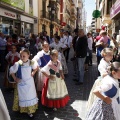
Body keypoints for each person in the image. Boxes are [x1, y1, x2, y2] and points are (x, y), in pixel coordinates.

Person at [10, 49, 38, 118]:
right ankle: (23, 109)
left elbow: (36, 68)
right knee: (23, 96)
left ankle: (30, 110)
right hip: (21, 84)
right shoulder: (18, 64)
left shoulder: (31, 62)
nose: (22, 58)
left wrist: (33, 72)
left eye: (24, 56)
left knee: (30, 96)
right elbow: (11, 70)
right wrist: (15, 78)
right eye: (21, 56)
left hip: (30, 83)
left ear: (28, 55)